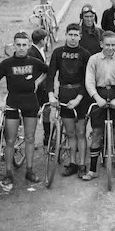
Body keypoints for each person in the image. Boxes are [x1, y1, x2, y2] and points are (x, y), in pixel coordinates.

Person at [0, 31, 49, 185]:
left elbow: (47, 71)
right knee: (10, 139)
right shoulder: (6, 64)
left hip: (31, 102)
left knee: (30, 138)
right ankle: (8, 172)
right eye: (19, 45)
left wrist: (37, 82)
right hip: (13, 103)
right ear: (14, 45)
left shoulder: (34, 61)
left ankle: (29, 170)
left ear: (28, 45)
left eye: (24, 45)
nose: (22, 48)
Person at [83, 31, 115, 181]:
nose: (110, 48)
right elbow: (89, 81)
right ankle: (92, 170)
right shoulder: (94, 59)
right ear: (101, 44)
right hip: (99, 94)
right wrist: (96, 97)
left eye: (113, 45)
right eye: (107, 45)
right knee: (96, 133)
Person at [46, 23, 91, 178]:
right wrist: (51, 94)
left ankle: (82, 164)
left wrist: (79, 98)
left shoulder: (85, 54)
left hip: (81, 96)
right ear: (66, 34)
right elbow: (50, 75)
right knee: (70, 132)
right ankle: (72, 163)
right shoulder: (58, 53)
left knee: (81, 132)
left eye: (76, 35)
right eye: (70, 34)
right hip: (65, 93)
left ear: (80, 36)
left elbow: (88, 79)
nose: (73, 38)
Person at [27, 28, 50, 149]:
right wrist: (38, 81)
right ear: (42, 40)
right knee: (36, 113)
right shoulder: (31, 53)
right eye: (46, 39)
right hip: (38, 88)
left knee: (46, 111)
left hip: (43, 87)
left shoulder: (40, 50)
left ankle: (47, 137)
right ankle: (35, 139)